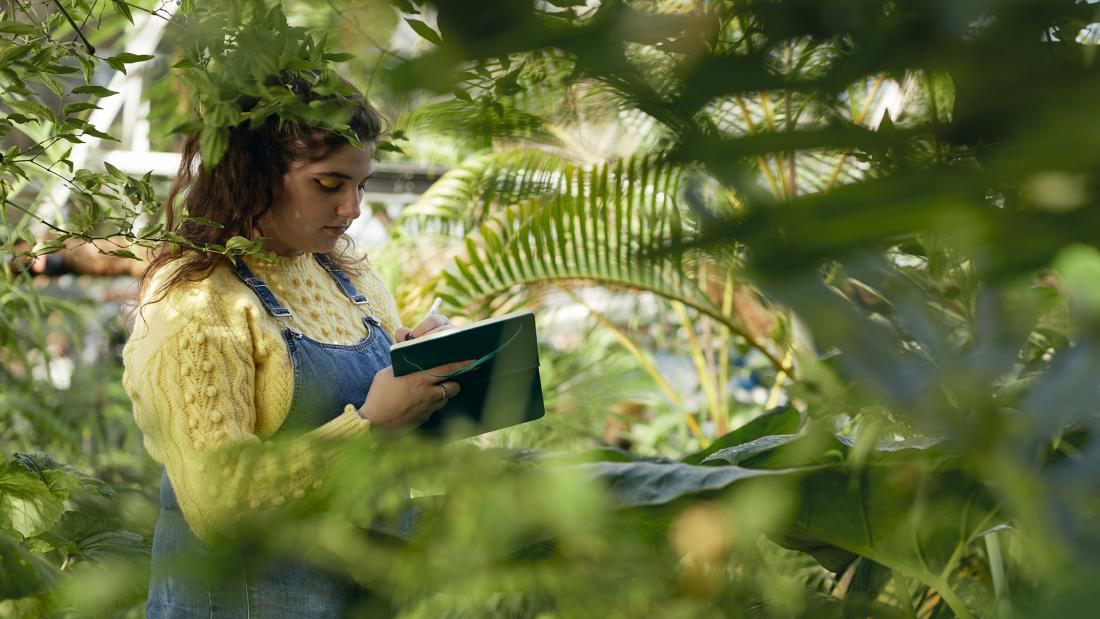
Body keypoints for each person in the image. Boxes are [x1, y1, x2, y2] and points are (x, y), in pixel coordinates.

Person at [123, 72, 464, 617]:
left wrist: (431, 379)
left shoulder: (351, 281)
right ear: (252, 174)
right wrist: (371, 424)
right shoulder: (195, 304)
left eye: (361, 185)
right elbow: (217, 505)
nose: (352, 208)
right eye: (330, 184)